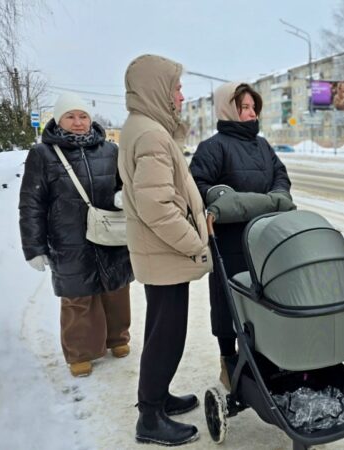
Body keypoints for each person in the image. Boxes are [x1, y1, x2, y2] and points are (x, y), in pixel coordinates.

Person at [119, 54, 212, 446]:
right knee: (165, 335)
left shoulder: (143, 128)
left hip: (160, 254)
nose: (180, 94)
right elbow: (157, 206)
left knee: (164, 330)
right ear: (156, 87)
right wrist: (196, 243)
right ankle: (150, 417)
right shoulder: (152, 134)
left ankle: (158, 398)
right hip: (167, 253)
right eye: (175, 87)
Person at [19, 92, 133, 378]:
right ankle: (80, 353)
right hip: (67, 238)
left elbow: (126, 184)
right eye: (70, 116)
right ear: (59, 120)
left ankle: (118, 338)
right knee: (78, 298)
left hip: (109, 232)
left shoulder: (110, 150)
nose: (78, 122)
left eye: (83, 116)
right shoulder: (42, 154)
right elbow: (32, 202)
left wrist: (122, 196)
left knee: (116, 289)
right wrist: (34, 247)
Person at [189, 82, 294, 390]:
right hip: (230, 240)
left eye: (252, 107)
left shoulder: (263, 146)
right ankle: (227, 358)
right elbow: (198, 184)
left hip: (265, 237)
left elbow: (280, 175)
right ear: (227, 109)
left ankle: (264, 356)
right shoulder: (213, 147)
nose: (250, 113)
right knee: (228, 300)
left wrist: (279, 193)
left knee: (262, 296)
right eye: (243, 107)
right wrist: (221, 198)